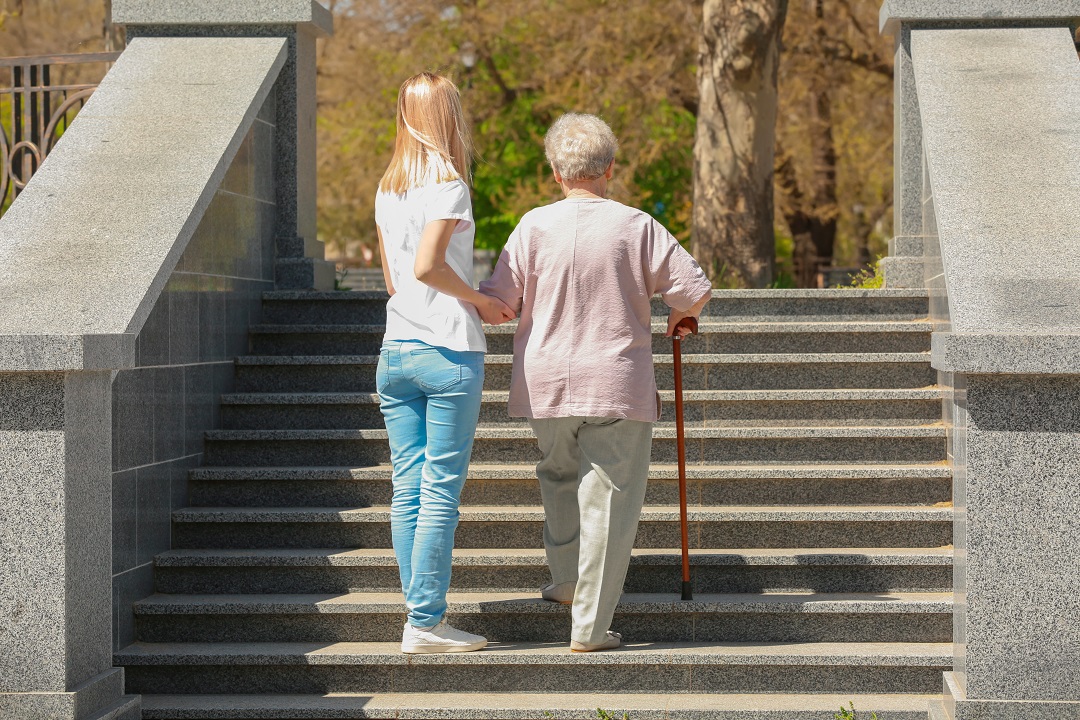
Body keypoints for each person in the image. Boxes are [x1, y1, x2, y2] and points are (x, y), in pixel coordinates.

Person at [479, 113, 713, 652]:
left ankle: (565, 581)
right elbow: (694, 289)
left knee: (558, 475)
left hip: (545, 383)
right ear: (610, 167)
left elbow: (501, 303)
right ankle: (589, 627)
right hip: (614, 379)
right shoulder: (636, 226)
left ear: (556, 172)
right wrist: (680, 314)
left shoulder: (532, 226)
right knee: (607, 499)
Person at [375, 72, 516, 654]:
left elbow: (394, 280)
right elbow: (428, 267)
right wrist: (484, 301)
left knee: (407, 486)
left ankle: (419, 617)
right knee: (438, 492)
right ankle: (426, 622)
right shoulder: (449, 184)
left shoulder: (389, 188)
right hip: (447, 349)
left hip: (395, 349)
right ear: (449, 117)